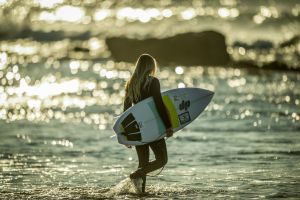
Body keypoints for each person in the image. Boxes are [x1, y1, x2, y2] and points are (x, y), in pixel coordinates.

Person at [123, 53, 173, 193]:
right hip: (154, 126)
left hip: (138, 128)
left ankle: (141, 193)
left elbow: (126, 112)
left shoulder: (130, 84)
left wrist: (127, 134)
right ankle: (136, 175)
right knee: (162, 159)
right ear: (150, 66)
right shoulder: (153, 82)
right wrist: (168, 125)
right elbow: (158, 105)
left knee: (143, 163)